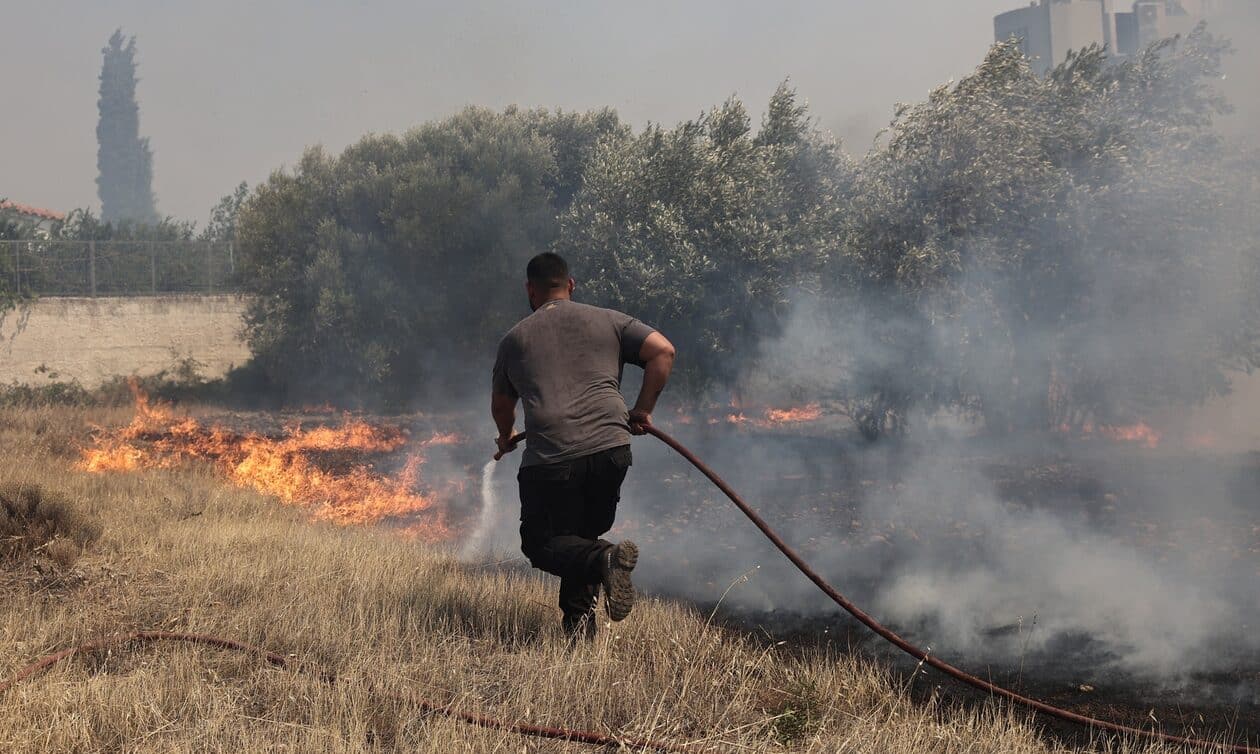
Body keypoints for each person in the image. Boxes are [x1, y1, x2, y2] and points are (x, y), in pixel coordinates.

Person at [491, 252, 676, 640]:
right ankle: (579, 634)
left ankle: (605, 559)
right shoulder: (610, 320)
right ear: (570, 285)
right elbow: (663, 351)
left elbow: (502, 405)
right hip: (611, 451)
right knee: (578, 538)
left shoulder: (514, 339)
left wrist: (506, 436)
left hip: (552, 458)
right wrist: (642, 409)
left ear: (530, 290)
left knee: (541, 544)